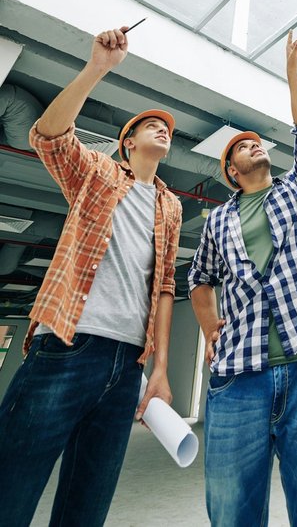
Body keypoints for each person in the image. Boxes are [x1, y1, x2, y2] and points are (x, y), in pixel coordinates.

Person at [0, 26, 182, 527]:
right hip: (68, 344)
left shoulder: (171, 204)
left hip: (127, 365)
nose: (163, 129)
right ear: (127, 143)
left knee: (88, 504)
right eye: (150, 125)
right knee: (11, 484)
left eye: (166, 126)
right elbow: (48, 137)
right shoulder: (98, 172)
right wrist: (97, 67)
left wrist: (161, 367)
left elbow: (165, 287)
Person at [188, 31, 297, 527]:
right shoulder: (218, 219)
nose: (254, 145)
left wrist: (293, 75)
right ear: (232, 171)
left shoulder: (296, 190)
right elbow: (198, 279)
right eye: (242, 147)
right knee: (232, 508)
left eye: (256, 142)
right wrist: (210, 325)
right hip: (238, 375)